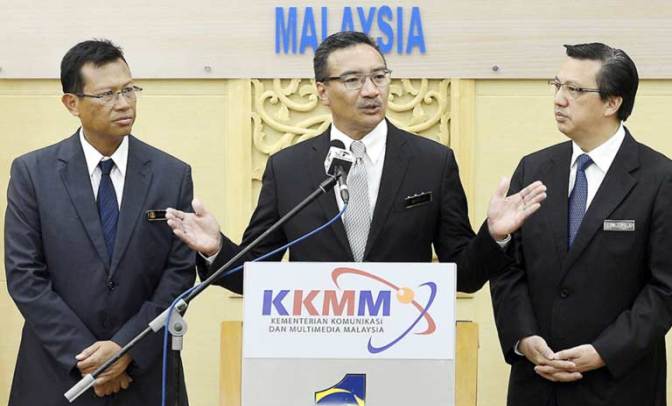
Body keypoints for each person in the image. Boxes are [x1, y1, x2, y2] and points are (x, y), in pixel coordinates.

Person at [165, 31, 546, 293]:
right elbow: (256, 275)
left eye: (379, 77)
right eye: (353, 80)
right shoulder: (288, 168)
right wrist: (216, 249)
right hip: (315, 344)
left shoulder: (432, 162)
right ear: (322, 91)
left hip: (405, 344)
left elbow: (463, 276)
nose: (371, 91)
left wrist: (494, 236)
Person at [490, 42, 672, 406]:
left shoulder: (662, 181)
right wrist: (523, 337)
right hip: (535, 394)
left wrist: (603, 352)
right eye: (557, 86)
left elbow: (665, 290)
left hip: (613, 396)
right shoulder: (534, 168)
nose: (559, 99)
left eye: (575, 90)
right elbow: (509, 269)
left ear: (612, 102)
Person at [4, 39, 195, 406]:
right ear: (71, 103)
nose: (124, 104)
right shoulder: (32, 173)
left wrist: (126, 349)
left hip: (145, 388)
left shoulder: (171, 175)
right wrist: (92, 360)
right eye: (107, 94)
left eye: (129, 90)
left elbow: (178, 274)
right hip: (57, 388)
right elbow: (25, 276)